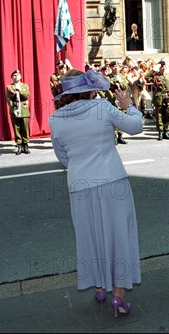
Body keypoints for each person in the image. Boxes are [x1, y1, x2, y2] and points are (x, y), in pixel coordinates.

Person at [48, 69, 143, 318]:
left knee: (90, 237)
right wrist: (129, 106)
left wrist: (80, 168)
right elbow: (135, 127)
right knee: (119, 235)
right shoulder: (102, 108)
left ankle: (100, 288)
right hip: (112, 181)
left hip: (80, 185)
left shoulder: (55, 119)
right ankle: (118, 297)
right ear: (88, 89)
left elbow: (63, 157)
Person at [6, 69, 30, 154]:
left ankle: (25, 145)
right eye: (14, 75)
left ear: (21, 76)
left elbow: (26, 96)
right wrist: (13, 108)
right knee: (17, 127)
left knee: (25, 127)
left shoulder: (24, 86)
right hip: (15, 109)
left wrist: (20, 90)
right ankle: (19, 145)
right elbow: (8, 98)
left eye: (18, 75)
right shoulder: (9, 87)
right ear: (12, 77)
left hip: (23, 108)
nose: (16, 77)